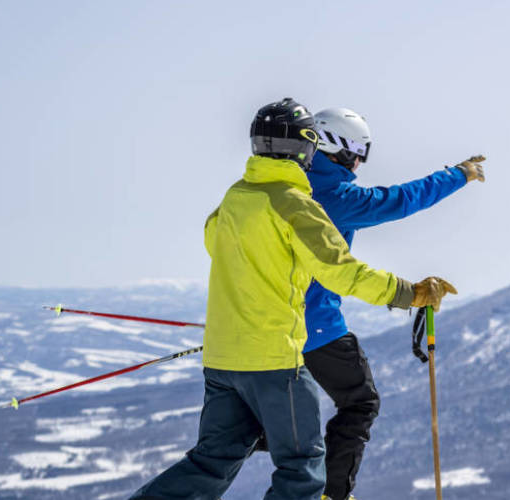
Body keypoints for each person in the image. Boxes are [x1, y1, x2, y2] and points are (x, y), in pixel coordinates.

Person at [129, 98, 456, 500]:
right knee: (302, 467)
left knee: (213, 460)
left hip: (222, 359)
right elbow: (343, 271)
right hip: (275, 359)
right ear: (306, 147)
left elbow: (213, 241)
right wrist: (412, 293)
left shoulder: (235, 197)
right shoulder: (295, 205)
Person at [301, 107, 484, 500]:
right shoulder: (334, 195)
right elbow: (399, 201)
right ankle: (332, 495)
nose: (359, 164)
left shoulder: (291, 190)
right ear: (339, 148)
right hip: (315, 325)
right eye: (358, 153)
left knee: (265, 416)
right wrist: (458, 175)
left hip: (273, 323)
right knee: (360, 401)